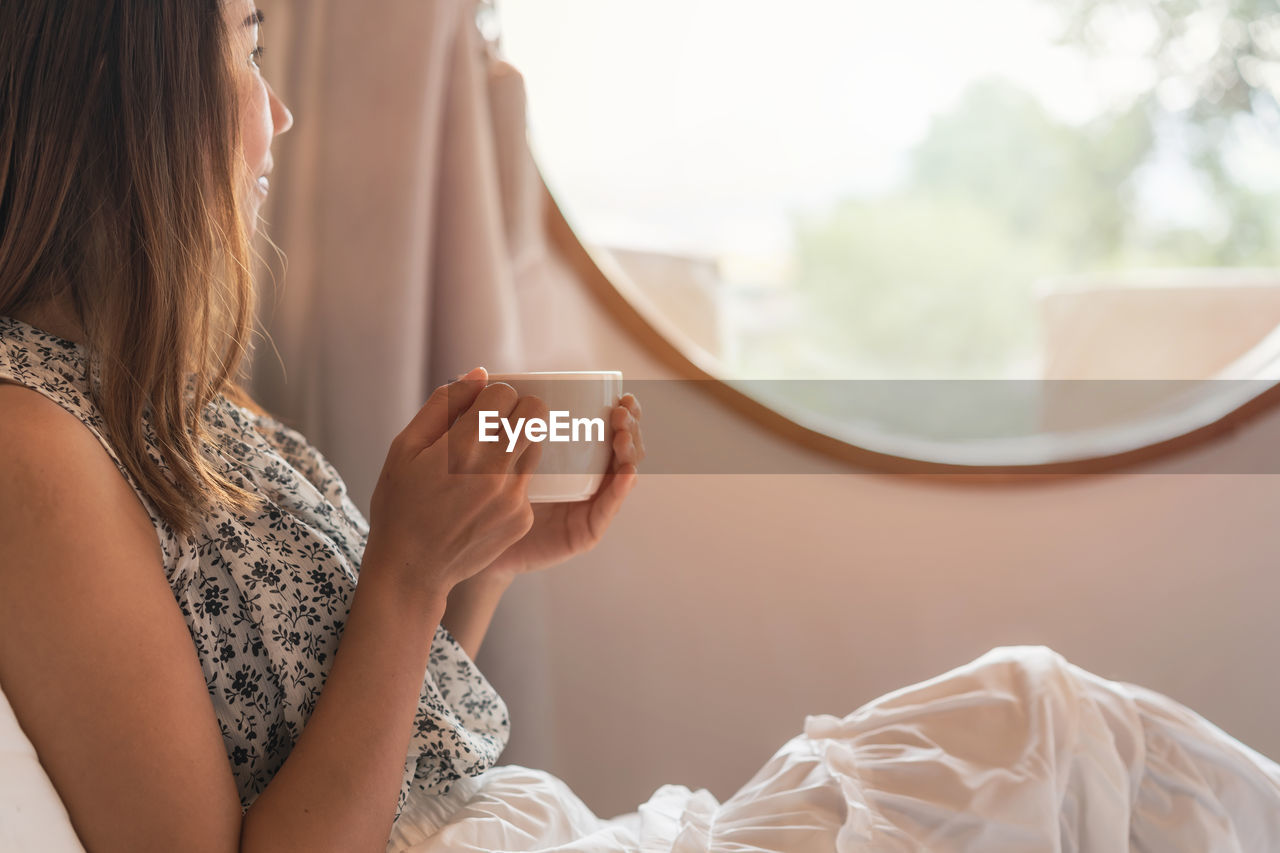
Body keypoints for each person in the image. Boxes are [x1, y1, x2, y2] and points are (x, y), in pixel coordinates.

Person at [2, 3, 1279, 853]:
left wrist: (474, 564)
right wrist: (399, 576)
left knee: (1046, 725)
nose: (275, 113)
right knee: (1043, 731)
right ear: (128, 93)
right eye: (245, 45)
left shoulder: (158, 396)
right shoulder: (32, 442)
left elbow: (359, 740)